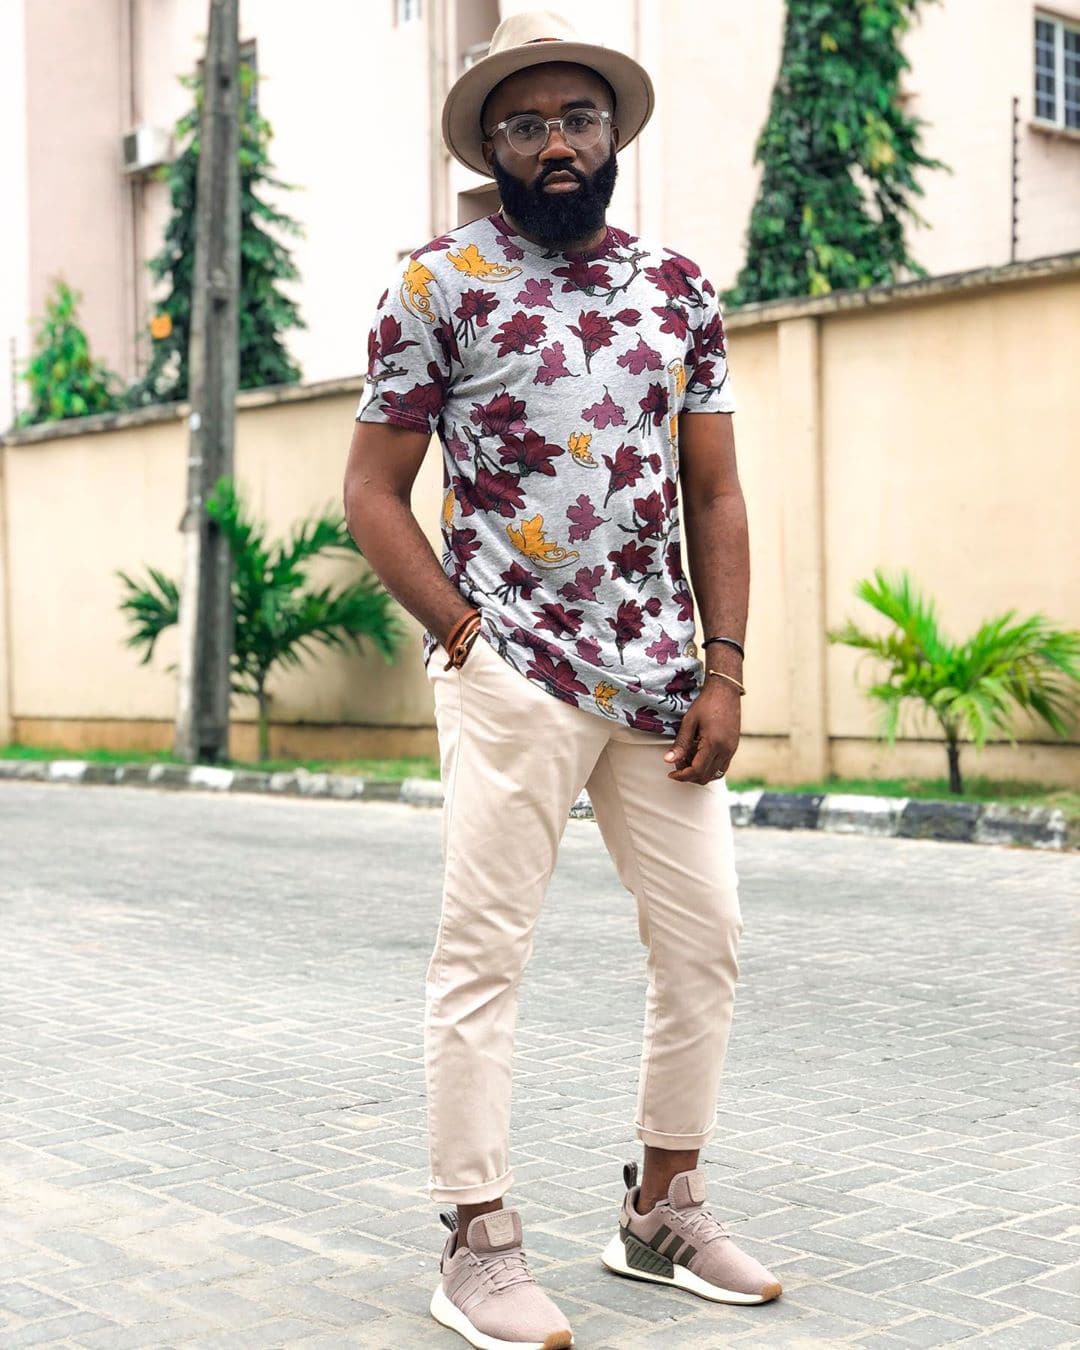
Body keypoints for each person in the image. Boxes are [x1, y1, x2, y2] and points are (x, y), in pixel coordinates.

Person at [344, 12, 781, 1348]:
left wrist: (725, 668)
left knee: (705, 938)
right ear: (491, 146)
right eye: (525, 124)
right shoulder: (436, 286)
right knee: (485, 955)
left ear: (610, 134)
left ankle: (661, 1208)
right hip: (514, 670)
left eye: (576, 119)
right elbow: (372, 492)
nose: (555, 144)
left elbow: (715, 489)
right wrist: (462, 633)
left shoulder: (677, 288)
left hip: (662, 678)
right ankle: (476, 1241)